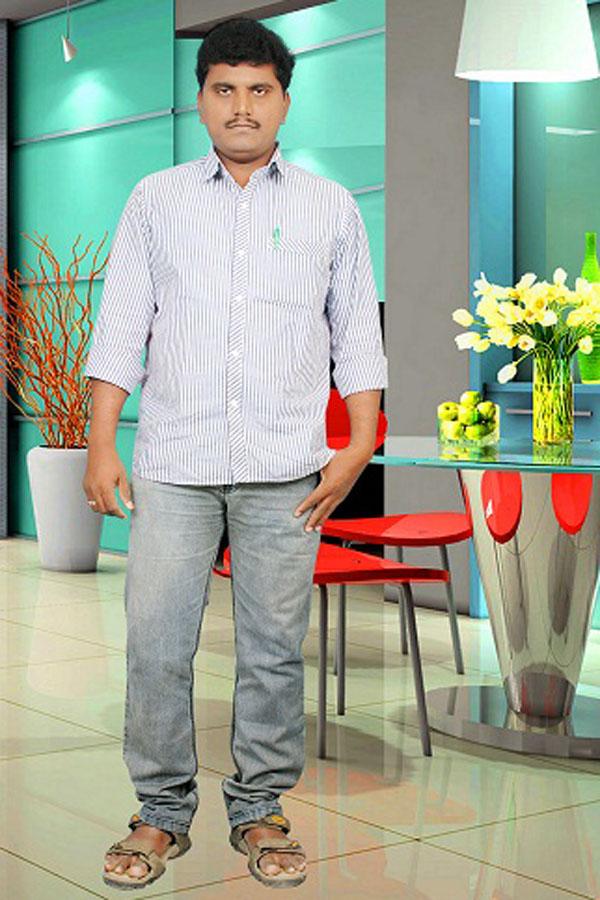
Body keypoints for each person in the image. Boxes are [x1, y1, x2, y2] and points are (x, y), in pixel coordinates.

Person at [83, 15, 388, 891]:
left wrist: (359, 442)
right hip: (175, 465)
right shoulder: (156, 199)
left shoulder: (330, 206)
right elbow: (121, 325)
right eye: (225, 89)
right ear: (202, 99)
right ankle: (160, 811)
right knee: (155, 644)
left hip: (286, 468)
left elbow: (355, 337)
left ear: (285, 101)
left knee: (272, 649)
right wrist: (101, 442)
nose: (242, 106)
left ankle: (260, 807)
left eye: (260, 90)